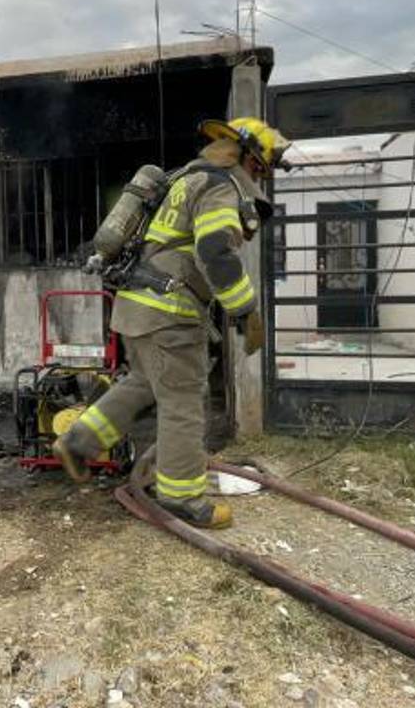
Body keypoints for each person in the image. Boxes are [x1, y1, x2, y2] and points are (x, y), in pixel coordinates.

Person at [53, 117, 291, 528]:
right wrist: (245, 309)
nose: (260, 178)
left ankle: (79, 442)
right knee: (182, 402)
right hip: (169, 313)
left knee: (143, 382)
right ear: (250, 160)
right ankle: (181, 498)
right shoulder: (219, 185)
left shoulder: (182, 180)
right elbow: (215, 252)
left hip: (134, 307)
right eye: (261, 168)